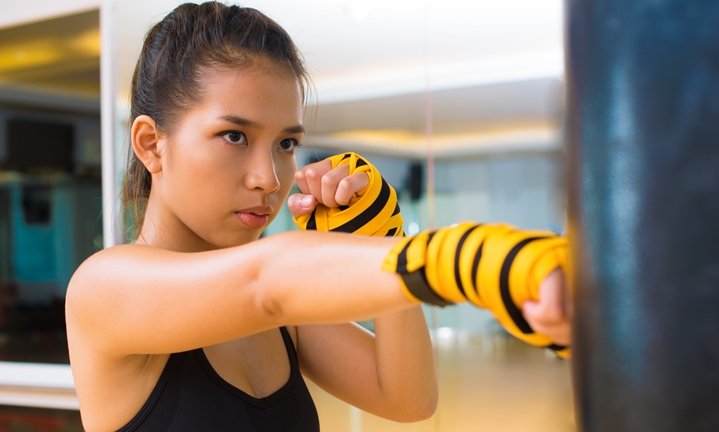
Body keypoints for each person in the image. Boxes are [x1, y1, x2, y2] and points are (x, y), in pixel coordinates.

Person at [64, 2, 571, 431]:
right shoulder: (104, 289)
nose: (268, 177)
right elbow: (267, 282)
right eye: (234, 136)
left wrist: (380, 239)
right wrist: (456, 260)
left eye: (286, 143)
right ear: (152, 144)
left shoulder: (284, 320)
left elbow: (409, 400)